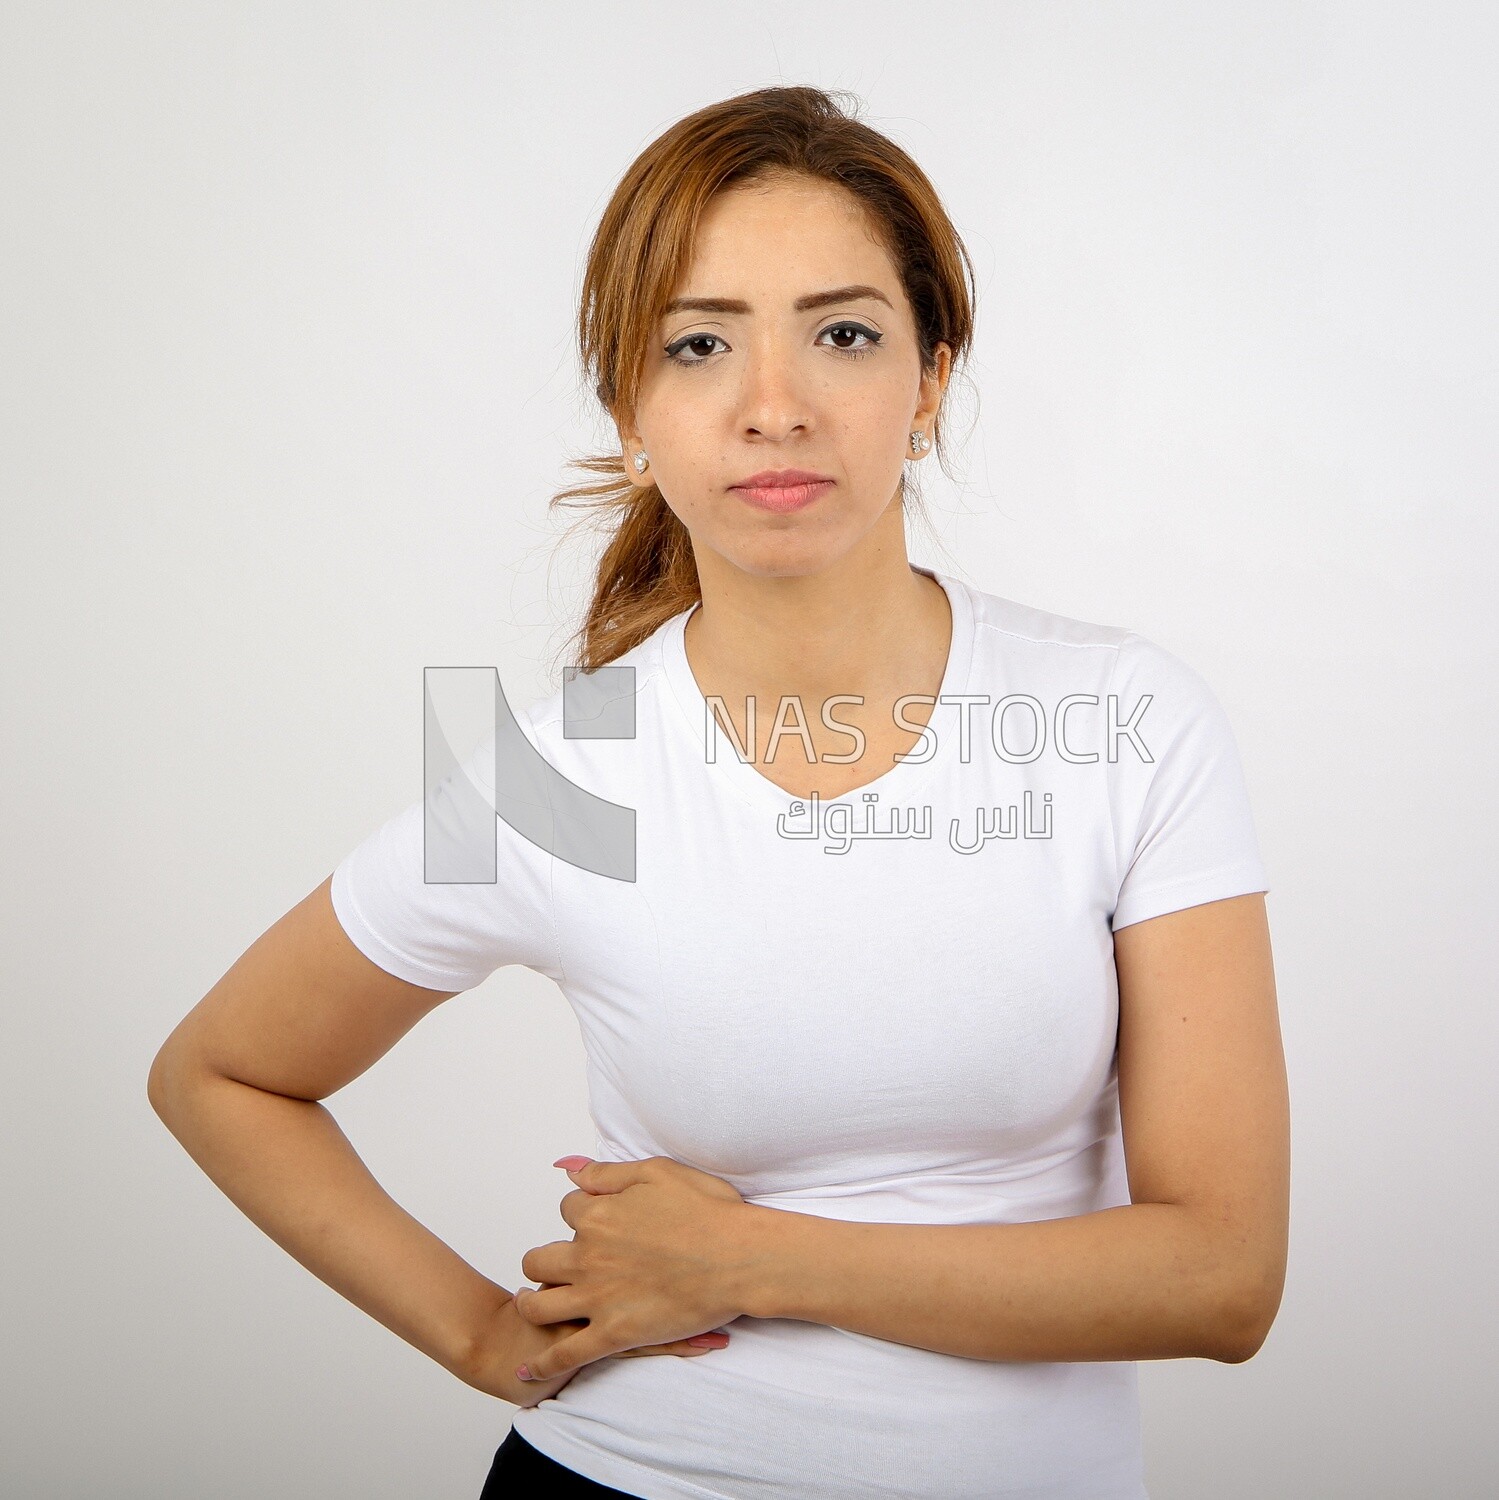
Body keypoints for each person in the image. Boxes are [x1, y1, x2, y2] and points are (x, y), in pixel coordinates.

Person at [148, 85, 1289, 1500]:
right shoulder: (566, 779)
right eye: (700, 346)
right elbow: (222, 1073)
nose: (774, 408)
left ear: (929, 381)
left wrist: (755, 1262)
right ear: (631, 408)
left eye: (845, 334)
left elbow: (1224, 1279)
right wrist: (477, 1333)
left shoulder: (1119, 722)